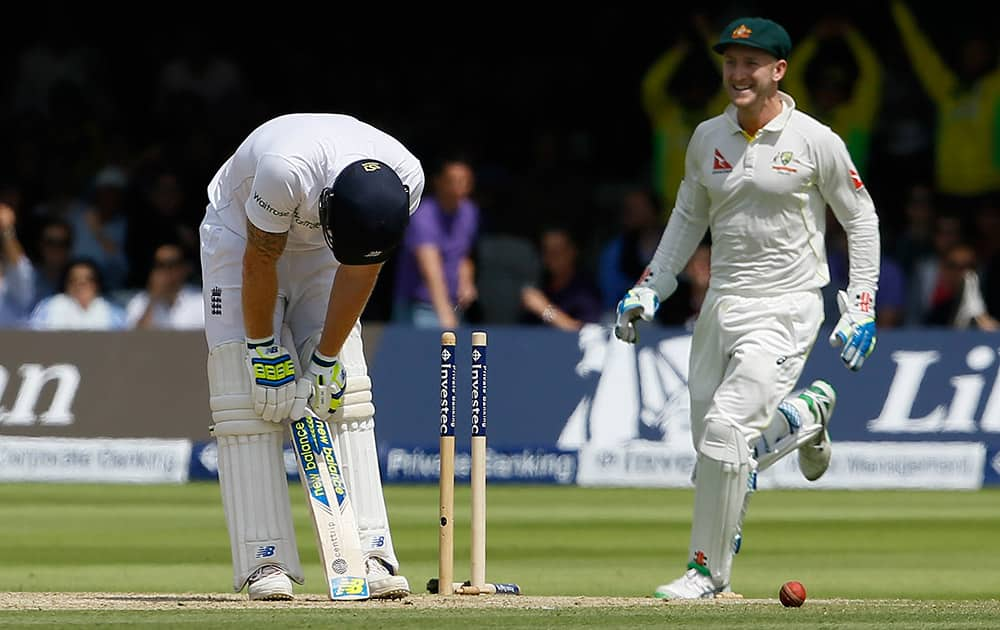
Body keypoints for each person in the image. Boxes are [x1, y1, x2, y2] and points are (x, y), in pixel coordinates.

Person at [614, 18, 880, 599]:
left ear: (778, 71)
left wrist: (860, 306)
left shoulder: (815, 139)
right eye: (731, 62)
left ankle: (706, 574)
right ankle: (807, 415)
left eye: (751, 63)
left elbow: (860, 217)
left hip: (788, 305)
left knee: (726, 430)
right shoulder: (707, 137)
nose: (738, 73)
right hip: (721, 304)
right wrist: (650, 288)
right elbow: (688, 218)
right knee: (714, 452)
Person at [199, 113, 424, 601]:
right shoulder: (287, 169)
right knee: (247, 394)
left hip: (326, 254)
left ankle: (371, 551)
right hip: (240, 235)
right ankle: (265, 560)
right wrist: (263, 351)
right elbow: (260, 258)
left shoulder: (406, 177)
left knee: (345, 392)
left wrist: (324, 360)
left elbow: (363, 268)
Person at [392, 159, 478, 328]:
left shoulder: (470, 212)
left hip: (455, 307)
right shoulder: (423, 215)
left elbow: (462, 255)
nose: (458, 187)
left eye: (464, 181)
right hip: (420, 309)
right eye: (452, 181)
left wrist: (467, 279)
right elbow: (430, 268)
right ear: (438, 182)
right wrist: (445, 313)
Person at [520, 226, 603, 332]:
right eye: (547, 251)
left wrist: (545, 310)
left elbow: (584, 333)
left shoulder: (585, 291)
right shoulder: (541, 286)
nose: (552, 256)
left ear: (573, 251)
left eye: (558, 251)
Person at [29, 257, 126, 330]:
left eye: (88, 280)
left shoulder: (115, 315)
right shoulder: (47, 308)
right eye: (74, 280)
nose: (80, 284)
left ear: (97, 285)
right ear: (66, 284)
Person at [125, 242, 204, 330]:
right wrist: (153, 300)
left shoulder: (200, 302)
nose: (166, 271)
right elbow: (136, 339)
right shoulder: (139, 303)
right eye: (160, 265)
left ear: (185, 268)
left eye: (172, 264)